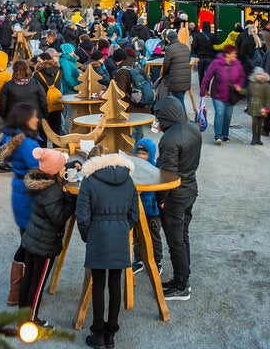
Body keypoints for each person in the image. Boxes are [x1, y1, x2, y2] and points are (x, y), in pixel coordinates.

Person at [76, 151, 139, 349]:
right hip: (119, 235)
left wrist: (89, 236)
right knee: (115, 284)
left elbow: (82, 216)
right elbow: (134, 214)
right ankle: (111, 334)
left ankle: (97, 333)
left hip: (97, 235)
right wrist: (122, 228)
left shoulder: (89, 181)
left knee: (98, 285)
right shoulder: (128, 180)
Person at [19, 147, 75, 326]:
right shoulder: (54, 191)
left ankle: (22, 315)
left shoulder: (40, 182)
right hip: (45, 244)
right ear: (56, 170)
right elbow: (59, 217)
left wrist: (70, 166)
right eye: (63, 166)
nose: (64, 167)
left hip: (32, 238)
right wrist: (69, 200)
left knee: (28, 277)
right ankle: (31, 320)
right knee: (38, 283)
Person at [153, 95, 202, 301]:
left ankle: (182, 285)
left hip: (175, 195)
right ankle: (182, 278)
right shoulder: (193, 128)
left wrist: (161, 199)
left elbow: (168, 174)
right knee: (183, 236)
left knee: (176, 241)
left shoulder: (170, 139)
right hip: (190, 189)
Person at [0, 102, 45, 306]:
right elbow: (40, 168)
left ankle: (18, 291)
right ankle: (18, 292)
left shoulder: (13, 137)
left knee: (25, 241)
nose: (37, 119)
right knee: (28, 245)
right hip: (28, 195)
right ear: (26, 120)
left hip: (20, 192)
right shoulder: (27, 144)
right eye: (34, 116)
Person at [200, 45, 246, 145]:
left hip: (231, 95)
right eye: (233, 54)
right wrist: (203, 90)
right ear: (227, 54)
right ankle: (218, 136)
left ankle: (225, 134)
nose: (235, 56)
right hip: (218, 94)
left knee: (228, 116)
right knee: (219, 114)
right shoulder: (216, 63)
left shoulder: (237, 64)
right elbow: (207, 77)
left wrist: (239, 85)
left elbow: (242, 76)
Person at [130, 139, 162, 275]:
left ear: (151, 154)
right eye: (139, 153)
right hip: (137, 209)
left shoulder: (155, 168)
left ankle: (157, 260)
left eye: (144, 154)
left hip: (151, 210)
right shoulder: (133, 168)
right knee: (137, 237)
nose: (141, 156)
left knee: (153, 236)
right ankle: (139, 260)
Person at [0, 60, 48, 124]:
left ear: (14, 70)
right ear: (27, 69)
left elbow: (2, 105)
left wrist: (6, 117)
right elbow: (43, 101)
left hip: (14, 119)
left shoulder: (8, 85)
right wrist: (45, 116)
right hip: (34, 118)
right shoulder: (35, 83)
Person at [33, 50, 64, 136]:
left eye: (39, 61)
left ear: (45, 61)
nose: (37, 63)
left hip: (42, 106)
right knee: (56, 133)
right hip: (56, 103)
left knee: (42, 133)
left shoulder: (37, 74)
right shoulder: (59, 72)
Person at [160, 29, 192, 110]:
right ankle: (181, 116)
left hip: (176, 79)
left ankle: (182, 117)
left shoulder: (169, 49)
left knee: (179, 102)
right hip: (186, 78)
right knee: (180, 99)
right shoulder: (185, 47)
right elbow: (188, 60)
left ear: (168, 39)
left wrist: (164, 75)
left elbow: (166, 65)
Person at [246, 66, 270, 146]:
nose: (260, 76)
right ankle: (254, 137)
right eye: (258, 74)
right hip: (254, 106)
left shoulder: (266, 85)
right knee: (254, 123)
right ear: (255, 75)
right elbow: (247, 92)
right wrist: (239, 90)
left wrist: (267, 108)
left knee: (260, 123)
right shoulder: (251, 83)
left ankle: (259, 138)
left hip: (263, 107)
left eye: (261, 74)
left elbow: (269, 98)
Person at [190, 21, 216, 85]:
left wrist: (197, 53)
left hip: (200, 57)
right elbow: (217, 46)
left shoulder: (198, 36)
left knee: (201, 74)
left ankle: (201, 87)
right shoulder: (213, 36)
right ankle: (206, 88)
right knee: (208, 75)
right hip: (210, 57)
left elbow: (194, 46)